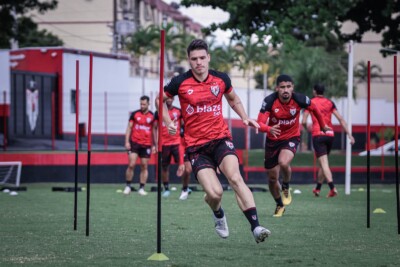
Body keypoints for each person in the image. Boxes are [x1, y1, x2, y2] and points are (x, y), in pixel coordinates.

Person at [160, 39, 271, 243]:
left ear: (208, 57)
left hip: (221, 139)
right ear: (189, 60)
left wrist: (244, 117)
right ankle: (218, 213)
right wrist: (167, 121)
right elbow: (161, 100)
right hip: (196, 148)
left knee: (235, 178)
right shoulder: (180, 82)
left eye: (202, 58)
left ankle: (256, 227)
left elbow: (233, 99)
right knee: (215, 193)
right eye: (194, 59)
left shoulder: (221, 79)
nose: (199, 62)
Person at [257, 74, 331, 217]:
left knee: (283, 162)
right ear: (277, 88)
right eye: (282, 87)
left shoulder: (300, 99)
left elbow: (315, 109)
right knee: (272, 179)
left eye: (288, 87)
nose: (286, 90)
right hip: (272, 140)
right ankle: (279, 205)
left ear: (292, 88)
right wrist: (268, 129)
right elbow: (259, 123)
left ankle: (285, 186)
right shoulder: (269, 101)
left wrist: (322, 126)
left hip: (291, 137)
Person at [302, 84, 355, 197]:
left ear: (314, 91)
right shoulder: (330, 103)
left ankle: (332, 188)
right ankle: (317, 189)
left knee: (324, 163)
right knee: (323, 163)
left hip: (318, 134)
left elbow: (303, 121)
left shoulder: (310, 102)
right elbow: (340, 119)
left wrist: (307, 128)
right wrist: (349, 134)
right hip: (330, 134)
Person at [153, 96, 186, 198]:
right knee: (164, 167)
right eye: (167, 98)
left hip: (177, 143)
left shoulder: (178, 111)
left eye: (171, 98)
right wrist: (156, 143)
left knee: (182, 166)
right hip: (164, 144)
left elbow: (183, 125)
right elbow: (155, 128)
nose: (169, 100)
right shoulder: (159, 112)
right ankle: (166, 188)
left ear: (173, 99)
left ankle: (185, 189)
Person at [123, 95, 155, 196]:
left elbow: (154, 130)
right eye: (141, 104)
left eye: (144, 104)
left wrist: (154, 144)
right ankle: (128, 186)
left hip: (146, 145)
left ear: (148, 104)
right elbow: (129, 128)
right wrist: (127, 141)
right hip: (135, 143)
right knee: (131, 164)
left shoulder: (152, 116)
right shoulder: (134, 114)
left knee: (144, 166)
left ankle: (141, 188)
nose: (142, 106)